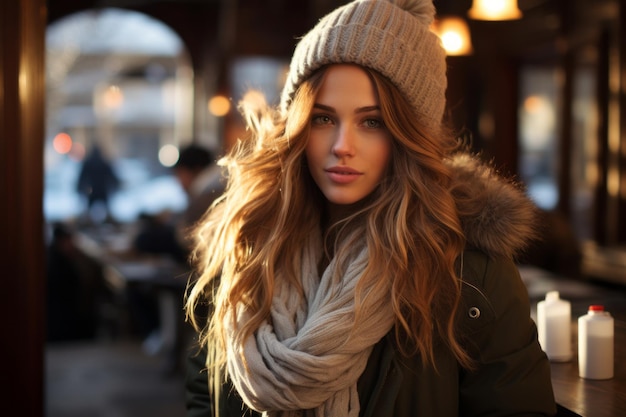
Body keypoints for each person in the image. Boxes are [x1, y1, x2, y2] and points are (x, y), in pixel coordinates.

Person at [184, 0, 557, 416]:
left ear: (409, 136)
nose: (343, 146)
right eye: (323, 119)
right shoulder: (246, 244)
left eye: (372, 122)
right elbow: (206, 391)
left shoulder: (468, 272)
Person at [76, 144, 120, 223]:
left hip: (91, 193)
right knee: (106, 215)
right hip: (102, 193)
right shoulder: (104, 164)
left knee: (89, 215)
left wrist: (82, 190)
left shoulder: (88, 164)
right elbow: (114, 180)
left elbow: (81, 180)